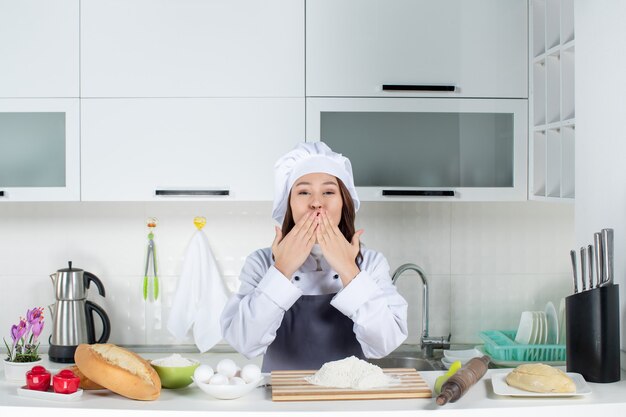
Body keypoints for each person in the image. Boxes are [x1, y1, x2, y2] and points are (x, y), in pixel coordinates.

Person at [220, 142, 408, 371]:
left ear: (344, 203)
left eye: (329, 192)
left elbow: (384, 344)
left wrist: (350, 270)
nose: (316, 202)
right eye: (303, 192)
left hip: (349, 399)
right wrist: (282, 270)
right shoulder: (261, 263)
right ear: (289, 204)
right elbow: (244, 343)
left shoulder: (370, 263)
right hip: (279, 399)